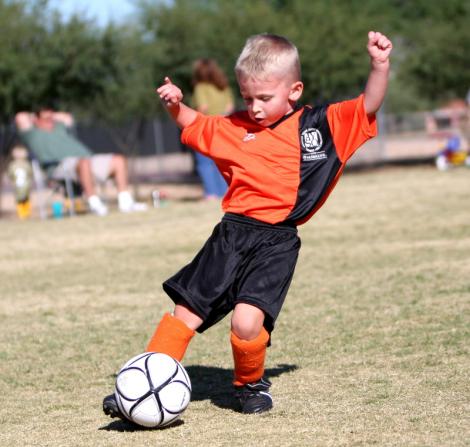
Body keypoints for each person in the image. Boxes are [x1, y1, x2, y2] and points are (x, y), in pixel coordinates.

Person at [103, 30, 392, 418]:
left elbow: (368, 105)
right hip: (231, 234)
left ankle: (249, 384)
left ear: (294, 90)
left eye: (264, 98)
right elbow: (195, 123)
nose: (254, 107)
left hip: (276, 242)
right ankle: (142, 383)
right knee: (185, 312)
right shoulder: (235, 127)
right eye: (247, 97)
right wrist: (176, 105)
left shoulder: (320, 126)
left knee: (247, 321)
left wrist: (379, 64)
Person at [15, 107, 147, 216]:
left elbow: (68, 118)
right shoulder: (31, 133)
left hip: (87, 160)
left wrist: (51, 115)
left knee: (118, 160)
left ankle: (125, 203)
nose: (50, 121)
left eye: (51, 118)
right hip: (59, 165)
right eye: (46, 119)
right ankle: (94, 204)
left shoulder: (59, 127)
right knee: (83, 163)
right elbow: (20, 117)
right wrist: (38, 115)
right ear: (36, 120)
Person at [191, 58, 234, 199]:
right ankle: (225, 191)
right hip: (224, 126)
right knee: (221, 162)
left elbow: (203, 108)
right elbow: (230, 106)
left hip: (207, 127)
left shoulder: (200, 87)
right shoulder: (223, 86)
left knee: (205, 163)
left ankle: (211, 193)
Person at [7, 145, 33, 219]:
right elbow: (10, 175)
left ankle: (25, 213)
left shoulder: (24, 164)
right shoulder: (15, 165)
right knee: (21, 199)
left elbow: (30, 173)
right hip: (20, 185)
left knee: (23, 199)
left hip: (23, 185)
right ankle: (23, 214)